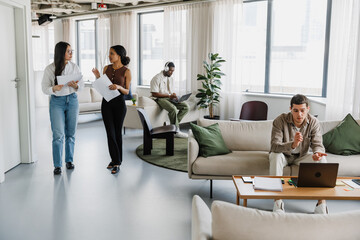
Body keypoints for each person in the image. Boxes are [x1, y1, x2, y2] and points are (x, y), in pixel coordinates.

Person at [269, 94, 328, 214]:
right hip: (283, 156)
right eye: (295, 110)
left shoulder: (313, 122)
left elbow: (318, 144)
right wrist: (293, 144)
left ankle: (321, 204)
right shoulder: (280, 120)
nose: (299, 114)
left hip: (301, 157)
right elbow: (274, 146)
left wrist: (317, 153)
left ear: (308, 109)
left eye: (302, 110)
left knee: (322, 160)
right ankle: (278, 202)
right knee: (275, 156)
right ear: (290, 109)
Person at [42, 41, 84, 175]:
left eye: (71, 51)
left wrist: (75, 86)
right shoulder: (50, 69)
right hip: (57, 102)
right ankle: (57, 165)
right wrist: (54, 88)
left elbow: (81, 86)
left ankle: (69, 161)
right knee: (58, 135)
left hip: (72, 100)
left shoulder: (74, 67)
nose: (71, 53)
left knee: (71, 134)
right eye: (68, 51)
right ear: (61, 53)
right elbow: (44, 89)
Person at [92, 45, 131, 174]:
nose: (109, 56)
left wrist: (119, 87)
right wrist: (98, 76)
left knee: (117, 133)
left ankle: (117, 161)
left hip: (119, 104)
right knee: (110, 133)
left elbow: (126, 91)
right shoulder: (106, 68)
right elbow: (102, 85)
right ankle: (115, 160)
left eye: (112, 53)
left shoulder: (126, 71)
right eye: (109, 53)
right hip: (106, 103)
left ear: (119, 55)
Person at [150, 62, 189, 138]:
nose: (172, 73)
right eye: (170, 71)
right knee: (173, 109)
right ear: (166, 68)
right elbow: (154, 94)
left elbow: (170, 91)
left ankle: (172, 126)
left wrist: (176, 97)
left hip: (169, 97)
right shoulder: (156, 78)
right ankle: (176, 131)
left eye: (173, 71)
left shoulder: (170, 78)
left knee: (186, 107)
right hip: (159, 98)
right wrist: (169, 95)